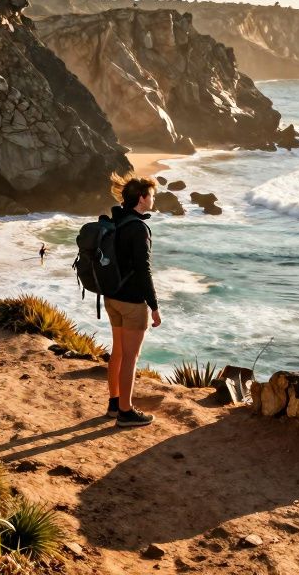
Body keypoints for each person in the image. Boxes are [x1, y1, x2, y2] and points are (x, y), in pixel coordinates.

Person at [104, 174, 161, 428]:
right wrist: (154, 306)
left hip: (111, 297)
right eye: (152, 195)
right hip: (131, 302)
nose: (153, 200)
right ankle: (126, 412)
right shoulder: (138, 228)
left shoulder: (116, 220)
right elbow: (143, 269)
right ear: (142, 198)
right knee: (130, 357)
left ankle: (114, 403)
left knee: (117, 351)